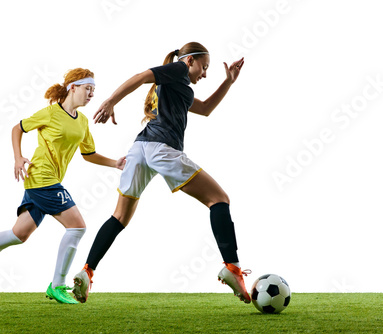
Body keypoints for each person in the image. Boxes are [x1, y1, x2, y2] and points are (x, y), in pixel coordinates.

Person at [72, 42, 251, 304]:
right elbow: (140, 77)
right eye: (204, 67)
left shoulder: (180, 86)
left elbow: (205, 109)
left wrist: (229, 82)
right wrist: (110, 101)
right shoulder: (178, 69)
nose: (205, 73)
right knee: (219, 200)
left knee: (120, 217)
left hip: (139, 149)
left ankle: (86, 271)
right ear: (189, 61)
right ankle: (232, 267)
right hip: (161, 149)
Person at [0, 68, 125, 304]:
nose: (91, 94)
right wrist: (18, 157)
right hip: (42, 177)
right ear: (73, 87)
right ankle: (58, 285)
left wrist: (115, 163)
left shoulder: (82, 121)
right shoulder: (51, 113)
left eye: (93, 90)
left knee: (18, 234)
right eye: (87, 89)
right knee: (77, 227)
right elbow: (18, 128)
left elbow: (89, 153)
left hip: (47, 181)